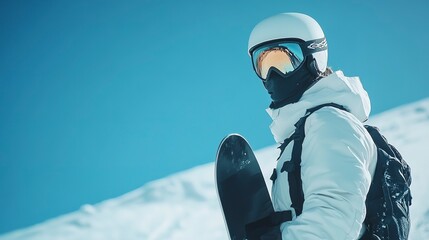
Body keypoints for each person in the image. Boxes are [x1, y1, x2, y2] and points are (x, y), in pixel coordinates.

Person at [247, 13, 378, 239]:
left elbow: (334, 221)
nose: (272, 75)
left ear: (314, 57)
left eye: (283, 63)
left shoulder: (329, 123)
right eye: (264, 65)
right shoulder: (310, 129)